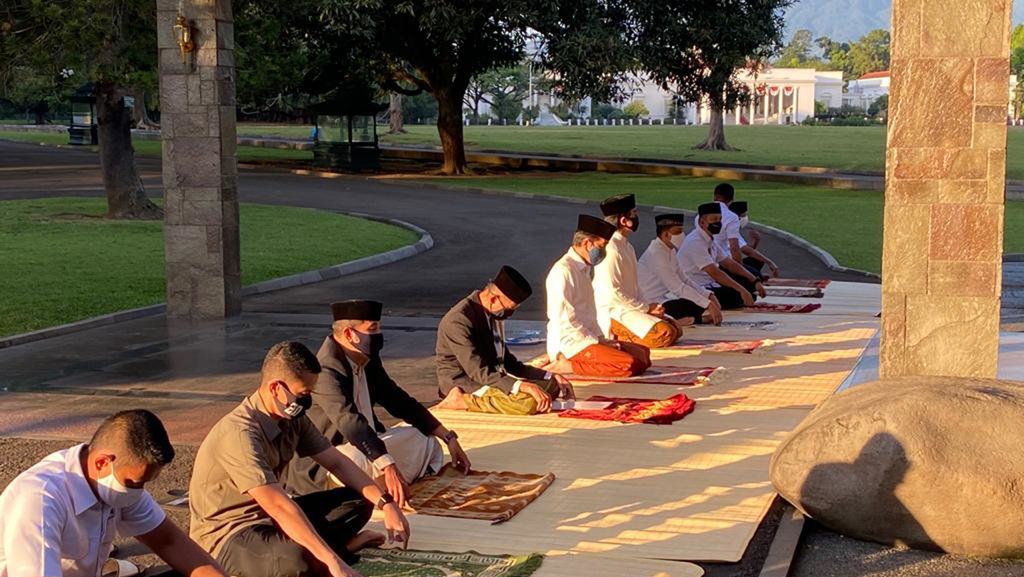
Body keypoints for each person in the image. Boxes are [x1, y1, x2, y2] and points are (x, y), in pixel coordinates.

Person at [189, 341, 410, 577]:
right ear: (276, 388)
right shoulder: (239, 434)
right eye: (303, 394)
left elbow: (336, 462)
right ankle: (335, 554)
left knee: (358, 499)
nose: (307, 402)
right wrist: (331, 559)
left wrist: (386, 503)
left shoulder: (293, 418)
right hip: (230, 532)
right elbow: (277, 505)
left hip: (271, 519)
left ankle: (327, 553)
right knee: (294, 561)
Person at [283, 300, 471, 510]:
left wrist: (447, 436)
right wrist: (388, 466)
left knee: (424, 440)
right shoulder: (325, 370)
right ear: (348, 334)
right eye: (372, 329)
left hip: (370, 445)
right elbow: (350, 423)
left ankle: (380, 485)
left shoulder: (366, 359)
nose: (379, 334)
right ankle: (377, 487)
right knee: (355, 459)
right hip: (330, 458)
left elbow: (397, 400)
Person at [0, 409, 227, 577]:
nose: (139, 492)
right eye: (135, 482)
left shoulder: (116, 484)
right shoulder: (39, 501)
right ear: (101, 462)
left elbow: (169, 541)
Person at [435, 265, 576, 415]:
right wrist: (521, 386)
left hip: (490, 378)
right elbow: (478, 371)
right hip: (466, 383)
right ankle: (460, 401)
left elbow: (509, 363)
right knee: (527, 403)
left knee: (551, 386)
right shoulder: (458, 320)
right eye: (509, 308)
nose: (510, 314)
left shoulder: (491, 314)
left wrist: (549, 376)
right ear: (494, 299)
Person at [543, 214, 652, 377]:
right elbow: (565, 321)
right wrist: (595, 342)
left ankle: (596, 357)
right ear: (587, 243)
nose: (603, 251)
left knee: (643, 355)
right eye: (602, 246)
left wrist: (601, 339)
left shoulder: (584, 269)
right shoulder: (563, 271)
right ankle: (568, 365)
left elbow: (589, 315)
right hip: (572, 344)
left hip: (590, 338)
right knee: (627, 365)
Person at [593, 194, 684, 348]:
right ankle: (616, 336)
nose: (636, 217)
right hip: (615, 310)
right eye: (634, 214)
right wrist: (646, 308)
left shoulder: (626, 246)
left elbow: (635, 286)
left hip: (632, 306)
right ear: (623, 220)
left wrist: (649, 306)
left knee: (676, 329)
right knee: (664, 334)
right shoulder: (611, 249)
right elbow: (613, 293)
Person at [638, 213, 724, 326]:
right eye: (678, 232)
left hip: (666, 298)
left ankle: (690, 319)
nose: (682, 235)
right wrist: (708, 304)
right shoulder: (656, 253)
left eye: (682, 231)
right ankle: (685, 320)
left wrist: (708, 295)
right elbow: (676, 286)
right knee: (691, 304)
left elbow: (684, 279)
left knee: (697, 302)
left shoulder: (670, 250)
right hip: (652, 303)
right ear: (665, 235)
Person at [679, 203, 766, 310]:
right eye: (714, 219)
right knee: (740, 295)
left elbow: (729, 263)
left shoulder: (710, 239)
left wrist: (754, 280)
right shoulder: (695, 242)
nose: (718, 223)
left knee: (748, 285)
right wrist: (741, 290)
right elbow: (715, 272)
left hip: (710, 283)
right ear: (702, 222)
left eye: (719, 219)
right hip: (697, 287)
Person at [729, 201, 780, 278]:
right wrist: (770, 262)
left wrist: (755, 241)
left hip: (730, 262)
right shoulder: (730, 230)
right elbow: (746, 250)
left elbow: (746, 249)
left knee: (758, 260)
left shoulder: (734, 230)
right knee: (755, 273)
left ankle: (755, 275)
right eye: (744, 215)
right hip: (726, 264)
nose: (745, 218)